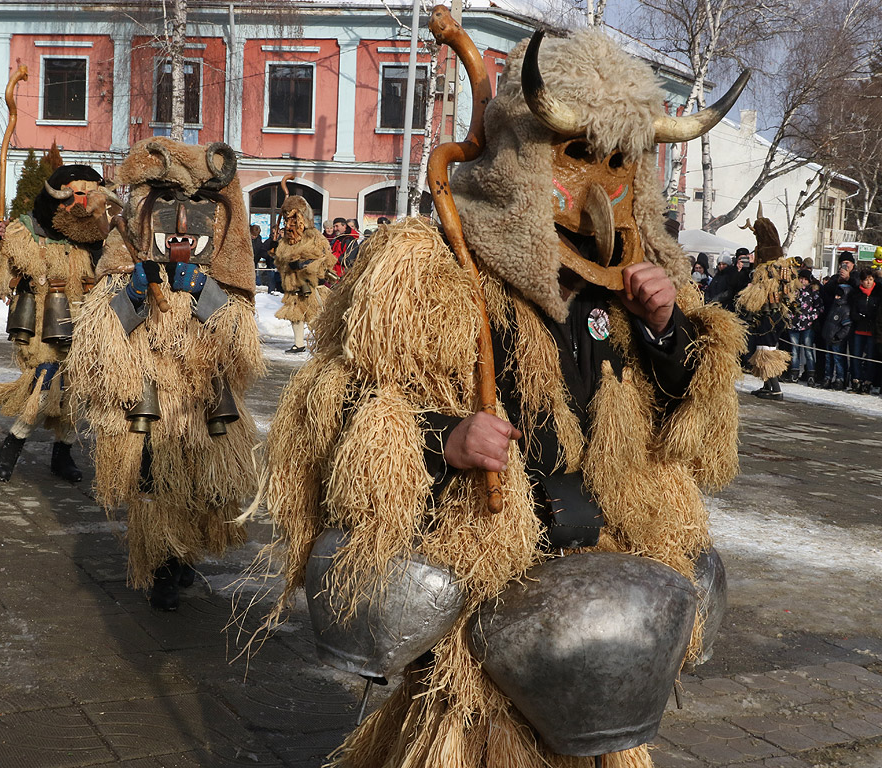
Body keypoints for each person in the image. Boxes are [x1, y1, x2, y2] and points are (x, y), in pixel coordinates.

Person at [260, 26, 747, 768]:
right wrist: (445, 440)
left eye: (618, 161)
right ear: (527, 155)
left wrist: (663, 329)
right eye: (577, 153)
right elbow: (342, 404)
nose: (598, 184)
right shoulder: (433, 268)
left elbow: (687, 434)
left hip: (598, 585)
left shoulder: (634, 292)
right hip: (488, 578)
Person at [66, 138, 263, 611]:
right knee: (153, 489)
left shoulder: (219, 284)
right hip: (150, 406)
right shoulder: (125, 274)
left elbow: (241, 356)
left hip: (202, 409)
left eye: (193, 217)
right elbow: (96, 348)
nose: (179, 229)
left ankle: (183, 557)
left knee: (201, 489)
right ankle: (160, 570)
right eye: (166, 215)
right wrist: (131, 299)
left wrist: (207, 297)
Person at [0, 165, 118, 483]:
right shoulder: (27, 230)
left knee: (75, 391)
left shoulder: (99, 239)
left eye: (92, 194)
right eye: (80, 193)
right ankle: (12, 445)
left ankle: (62, 455)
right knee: (43, 384)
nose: (87, 203)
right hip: (39, 327)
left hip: (85, 324)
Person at [735, 212, 799, 401]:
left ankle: (776, 389)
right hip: (778, 314)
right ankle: (767, 387)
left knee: (766, 350)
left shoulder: (768, 269)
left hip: (769, 316)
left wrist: (746, 299)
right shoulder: (783, 266)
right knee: (767, 348)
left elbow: (759, 292)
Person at [273, 181, 336, 353]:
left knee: (316, 315)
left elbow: (326, 259)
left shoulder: (314, 236)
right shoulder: (286, 240)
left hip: (311, 285)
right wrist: (279, 256)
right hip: (292, 285)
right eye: (287, 219)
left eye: (293, 218)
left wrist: (303, 264)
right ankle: (299, 343)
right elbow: (280, 260)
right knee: (295, 315)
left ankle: (324, 344)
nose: (289, 223)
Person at [783, 269, 823, 384]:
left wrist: (811, 317)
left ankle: (811, 373)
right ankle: (794, 373)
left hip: (807, 325)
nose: (802, 281)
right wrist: (789, 315)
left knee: (808, 350)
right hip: (794, 325)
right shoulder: (793, 291)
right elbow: (786, 305)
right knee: (795, 350)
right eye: (801, 278)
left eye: (805, 279)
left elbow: (820, 307)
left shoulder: (813, 292)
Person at [849, 269, 879, 393]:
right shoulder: (856, 293)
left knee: (871, 357)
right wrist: (859, 317)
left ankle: (868, 382)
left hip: (872, 330)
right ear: (861, 281)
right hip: (859, 329)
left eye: (871, 279)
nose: (868, 282)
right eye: (866, 280)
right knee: (856, 356)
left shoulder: (878, 293)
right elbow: (852, 311)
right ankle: (856, 380)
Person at [821, 283, 853, 389]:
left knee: (838, 359)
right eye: (836, 295)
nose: (836, 297)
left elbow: (847, 327)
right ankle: (828, 377)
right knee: (828, 359)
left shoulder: (846, 309)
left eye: (839, 296)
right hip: (829, 337)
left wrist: (838, 336)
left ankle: (840, 379)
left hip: (837, 340)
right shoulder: (834, 306)